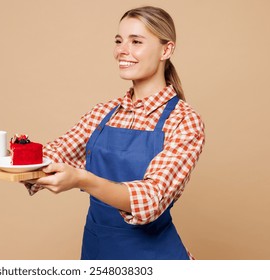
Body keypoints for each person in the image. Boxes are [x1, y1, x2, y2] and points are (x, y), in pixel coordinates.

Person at [24, 6, 205, 260]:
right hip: (98, 253)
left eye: (136, 42)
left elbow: (151, 198)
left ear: (166, 50)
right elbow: (54, 155)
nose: (122, 50)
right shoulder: (103, 113)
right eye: (119, 41)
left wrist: (82, 179)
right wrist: (8, 157)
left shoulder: (184, 121)